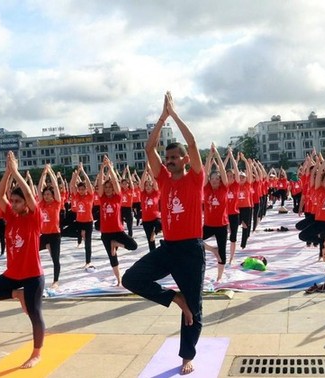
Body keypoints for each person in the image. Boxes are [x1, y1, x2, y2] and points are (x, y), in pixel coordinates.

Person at [122, 92, 205, 375]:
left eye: (173, 157)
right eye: (167, 158)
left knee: (194, 310)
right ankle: (174, 298)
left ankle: (186, 357)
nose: (168, 161)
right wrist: (162, 118)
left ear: (184, 159)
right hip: (169, 248)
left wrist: (176, 115)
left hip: (191, 250)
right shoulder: (163, 180)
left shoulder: (195, 177)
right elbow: (148, 149)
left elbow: (192, 143)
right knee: (131, 278)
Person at [0, 151, 44, 369]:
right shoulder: (11, 217)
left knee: (34, 314)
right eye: (12, 201)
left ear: (25, 203)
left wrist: (16, 172)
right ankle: (17, 293)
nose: (12, 204)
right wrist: (7, 172)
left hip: (33, 274)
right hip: (12, 275)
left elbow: (31, 198)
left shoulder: (34, 218)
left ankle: (36, 353)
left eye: (17, 201)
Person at [97, 156, 138, 286]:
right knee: (112, 257)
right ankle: (119, 279)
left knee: (133, 245)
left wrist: (110, 167)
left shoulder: (117, 197)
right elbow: (99, 183)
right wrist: (102, 169)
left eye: (110, 187)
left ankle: (116, 243)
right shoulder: (102, 198)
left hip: (118, 231)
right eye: (106, 187)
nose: (108, 189)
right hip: (106, 233)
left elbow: (115, 181)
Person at [202, 143, 229, 282]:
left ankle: (219, 277)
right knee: (195, 240)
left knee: (223, 252)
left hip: (221, 225)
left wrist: (217, 155)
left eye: (216, 179)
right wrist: (209, 156)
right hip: (208, 225)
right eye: (212, 179)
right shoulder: (206, 189)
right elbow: (205, 171)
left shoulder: (224, 189)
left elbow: (223, 172)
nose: (214, 181)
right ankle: (213, 250)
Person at [37, 164, 63, 289]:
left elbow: (56, 187)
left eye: (48, 194)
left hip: (54, 235)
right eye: (45, 194)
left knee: (55, 259)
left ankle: (55, 281)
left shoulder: (57, 203)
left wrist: (51, 173)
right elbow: (38, 189)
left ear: (52, 195)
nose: (46, 196)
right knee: (31, 251)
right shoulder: (41, 204)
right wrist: (43, 174)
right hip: (44, 235)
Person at [139, 165, 162, 253]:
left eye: (149, 185)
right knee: (150, 241)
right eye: (146, 185)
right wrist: (145, 170)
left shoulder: (156, 193)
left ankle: (155, 232)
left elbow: (155, 181)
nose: (148, 186)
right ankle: (153, 255)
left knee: (160, 224)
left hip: (155, 218)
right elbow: (141, 182)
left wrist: (151, 170)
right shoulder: (143, 194)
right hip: (146, 220)